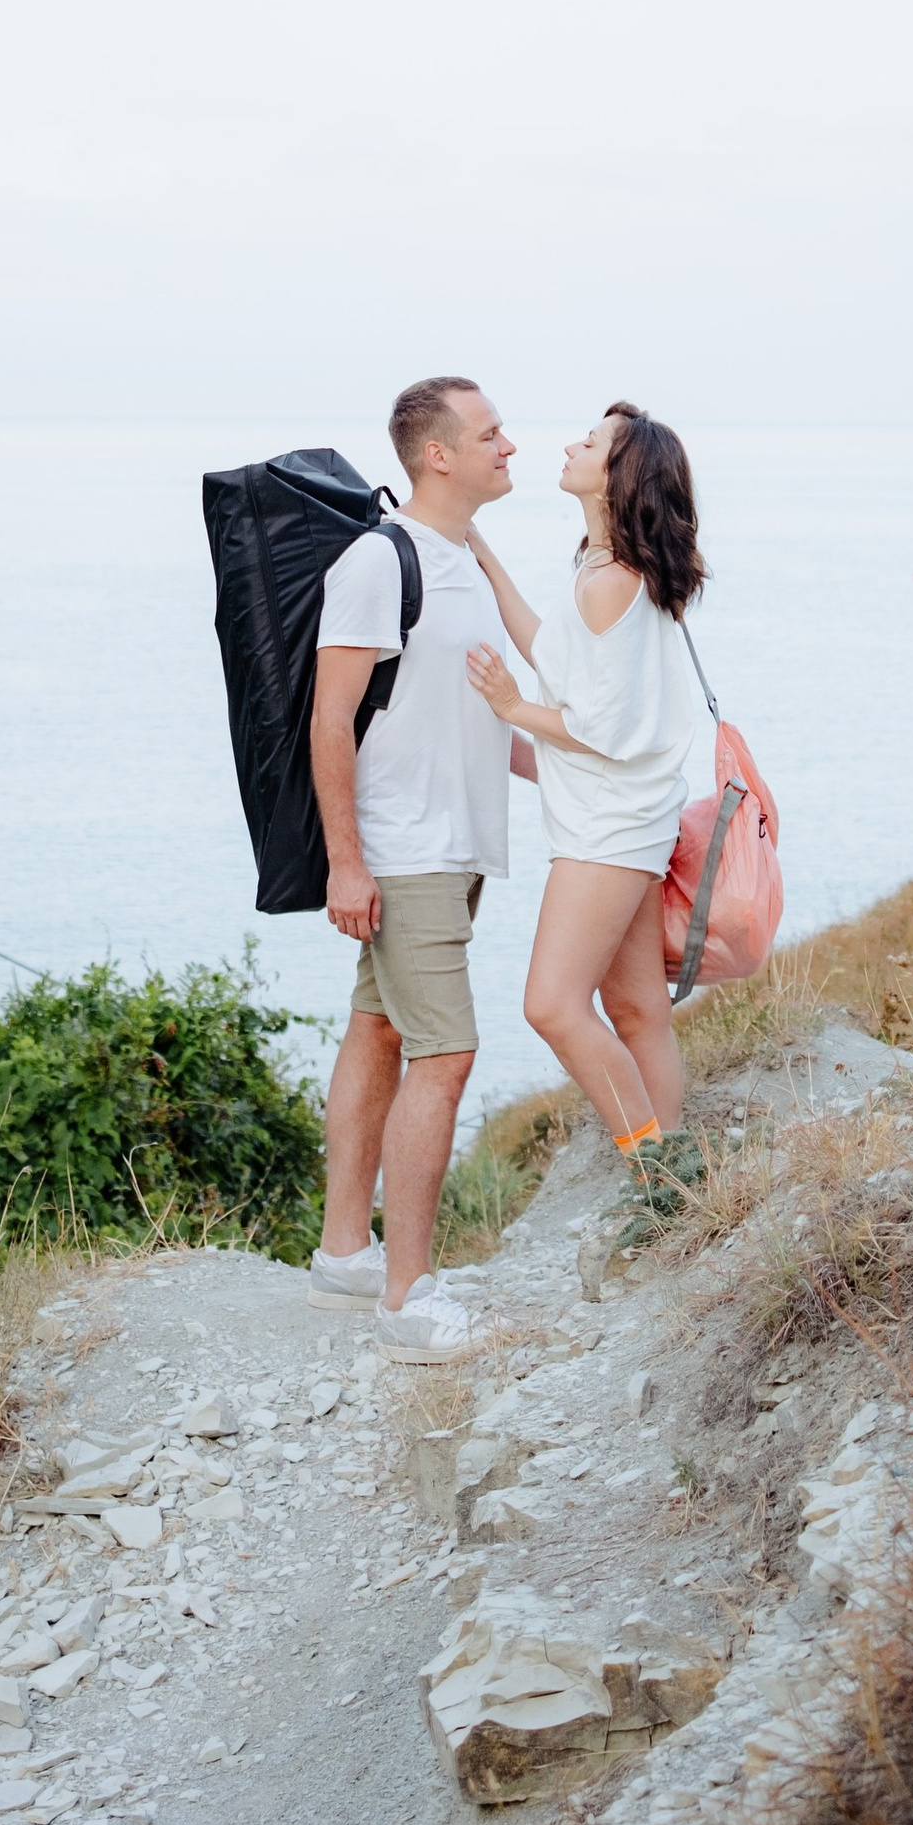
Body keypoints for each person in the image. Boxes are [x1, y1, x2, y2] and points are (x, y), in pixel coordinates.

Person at [306, 374, 525, 1360]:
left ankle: (345, 1256)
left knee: (382, 1026)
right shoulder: (376, 561)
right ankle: (407, 1300)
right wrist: (346, 863)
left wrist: (585, 775)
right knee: (447, 1052)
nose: (508, 446)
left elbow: (469, 713)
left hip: (456, 841)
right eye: (489, 433)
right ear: (437, 454)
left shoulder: (463, 559)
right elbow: (330, 720)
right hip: (405, 852)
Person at [463, 400, 705, 1193]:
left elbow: (597, 728)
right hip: (632, 819)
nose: (571, 444)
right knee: (635, 1010)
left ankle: (660, 1180)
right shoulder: (610, 572)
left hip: (608, 828)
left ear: (618, 473)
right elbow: (551, 653)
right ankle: (675, 1183)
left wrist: (509, 708)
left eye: (592, 441)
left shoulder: (612, 581)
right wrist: (482, 552)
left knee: (552, 1005)